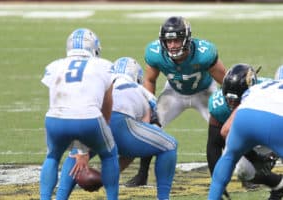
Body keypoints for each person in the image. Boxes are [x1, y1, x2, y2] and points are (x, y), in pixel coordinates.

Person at [56, 57, 178, 200]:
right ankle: (163, 198)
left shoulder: (99, 83)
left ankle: (60, 197)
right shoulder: (143, 92)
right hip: (121, 124)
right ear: (136, 77)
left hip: (92, 124)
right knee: (169, 145)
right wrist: (106, 176)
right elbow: (143, 136)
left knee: (75, 155)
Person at [126, 15, 227, 187]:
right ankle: (142, 173)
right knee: (149, 127)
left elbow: (224, 80)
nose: (172, 45)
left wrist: (229, 108)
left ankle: (247, 172)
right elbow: (150, 80)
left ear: (187, 39)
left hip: (204, 92)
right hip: (174, 92)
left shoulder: (204, 53)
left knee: (228, 130)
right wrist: (150, 106)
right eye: (168, 41)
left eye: (177, 40)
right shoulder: (155, 53)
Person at [39, 28, 119, 200]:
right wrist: (88, 145)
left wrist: (80, 149)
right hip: (89, 118)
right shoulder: (105, 66)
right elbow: (107, 104)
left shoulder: (54, 66)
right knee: (109, 154)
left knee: (52, 156)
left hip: (54, 118)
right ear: (94, 48)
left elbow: (58, 98)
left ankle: (44, 198)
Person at [207, 63, 283, 200]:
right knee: (243, 169)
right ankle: (279, 184)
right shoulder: (260, 87)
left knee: (229, 157)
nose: (231, 102)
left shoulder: (258, 89)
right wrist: (254, 156)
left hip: (244, 121)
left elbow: (225, 131)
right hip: (275, 124)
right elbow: (215, 141)